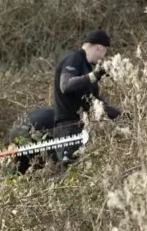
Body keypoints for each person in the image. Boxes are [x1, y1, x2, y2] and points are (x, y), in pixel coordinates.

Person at [52, 29, 122, 166]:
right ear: (99, 47)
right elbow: (66, 85)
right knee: (70, 172)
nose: (101, 59)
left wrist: (122, 115)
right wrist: (93, 76)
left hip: (81, 128)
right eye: (104, 53)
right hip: (67, 128)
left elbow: (96, 104)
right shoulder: (74, 58)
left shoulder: (87, 67)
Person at [8, 106, 58, 174]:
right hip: (32, 129)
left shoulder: (56, 111)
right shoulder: (63, 115)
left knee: (21, 165)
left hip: (18, 129)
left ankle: (14, 174)